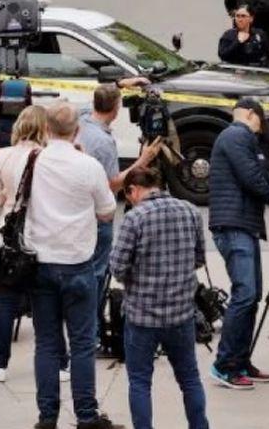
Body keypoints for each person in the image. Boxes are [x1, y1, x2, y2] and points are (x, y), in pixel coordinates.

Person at [27, 102, 122, 429]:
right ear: (77, 130)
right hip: (78, 262)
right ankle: (86, 414)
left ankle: (47, 416)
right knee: (82, 342)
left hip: (41, 261)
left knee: (47, 343)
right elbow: (107, 210)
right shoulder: (88, 165)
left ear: (46, 129)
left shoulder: (33, 162)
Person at [208, 97, 269, 389]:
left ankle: (240, 360)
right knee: (245, 295)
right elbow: (252, 179)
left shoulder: (239, 138)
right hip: (233, 225)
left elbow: (262, 177)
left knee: (252, 296)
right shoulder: (237, 135)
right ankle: (225, 365)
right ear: (250, 114)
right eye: (261, 122)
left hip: (242, 225)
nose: (261, 131)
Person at [110, 167, 208, 429]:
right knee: (189, 378)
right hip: (181, 313)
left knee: (140, 382)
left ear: (133, 190)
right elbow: (199, 258)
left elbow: (117, 267)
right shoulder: (190, 211)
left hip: (142, 315)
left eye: (127, 196)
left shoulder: (135, 218)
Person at [0, 106, 69, 383]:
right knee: (48, 304)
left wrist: (9, 195)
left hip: (11, 237)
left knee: (6, 301)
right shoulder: (49, 158)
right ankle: (61, 362)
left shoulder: (3, 157)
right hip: (43, 235)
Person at [77, 84, 162, 333]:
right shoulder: (103, 142)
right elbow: (111, 184)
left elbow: (93, 102)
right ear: (115, 109)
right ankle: (91, 328)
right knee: (97, 273)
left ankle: (83, 322)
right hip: (98, 215)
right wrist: (143, 161)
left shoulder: (82, 120)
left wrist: (119, 85)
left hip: (81, 211)